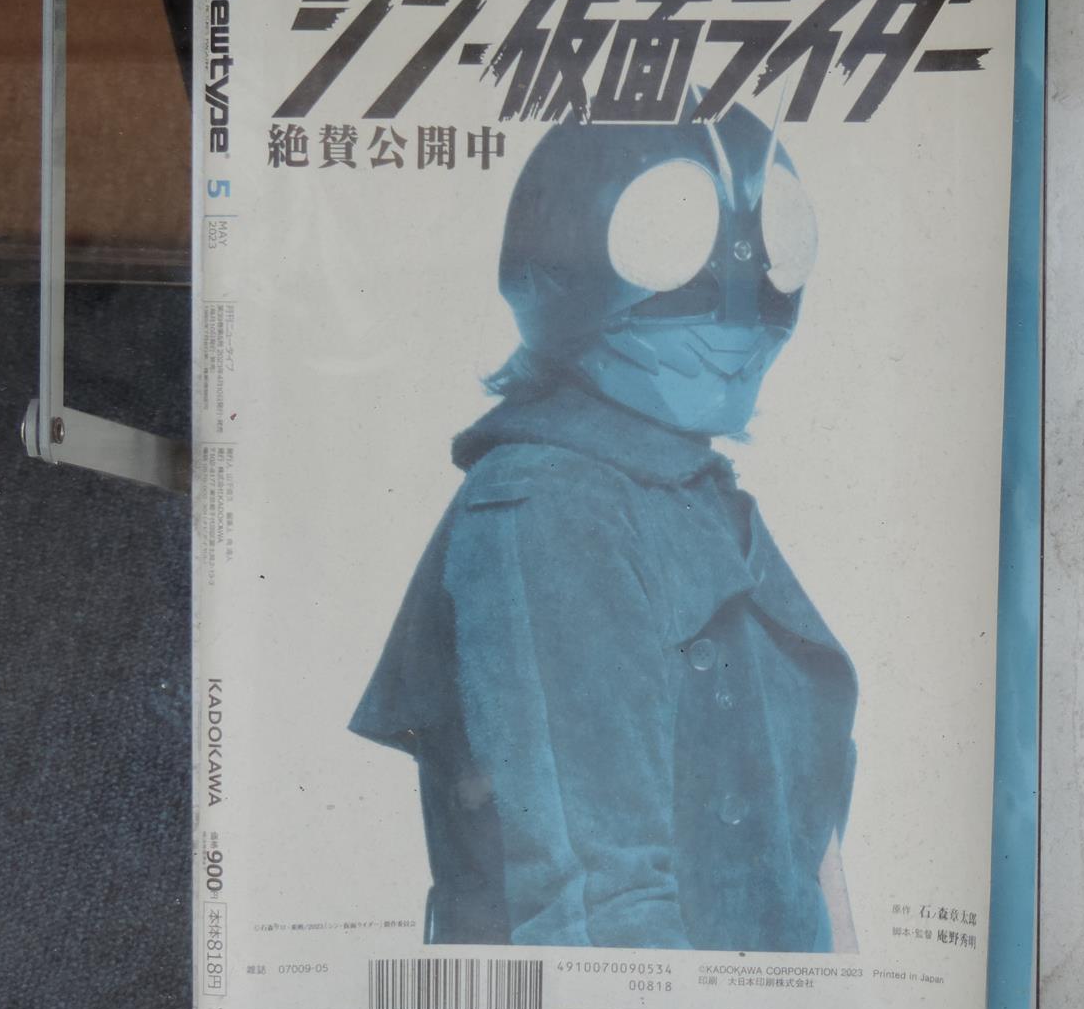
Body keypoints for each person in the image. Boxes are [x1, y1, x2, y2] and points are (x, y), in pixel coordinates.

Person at [350, 102, 858, 953]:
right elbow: (594, 912)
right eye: (676, 245)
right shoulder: (551, 504)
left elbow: (807, 856)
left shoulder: (700, 499)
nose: (737, 317)